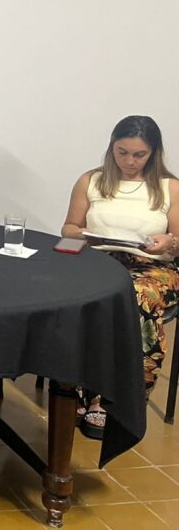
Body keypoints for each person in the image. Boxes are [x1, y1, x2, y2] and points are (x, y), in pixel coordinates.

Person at [61, 115, 179, 439]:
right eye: (121, 152)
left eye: (139, 155)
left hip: (151, 267)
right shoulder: (91, 180)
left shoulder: (169, 187)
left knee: (133, 295)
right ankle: (77, 386)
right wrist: (86, 234)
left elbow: (178, 240)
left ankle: (115, 399)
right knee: (76, 293)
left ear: (153, 153)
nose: (129, 161)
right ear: (112, 147)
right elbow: (69, 227)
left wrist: (169, 242)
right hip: (100, 260)